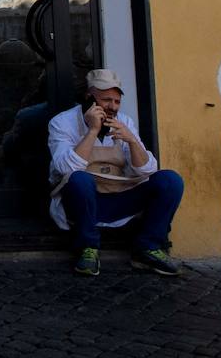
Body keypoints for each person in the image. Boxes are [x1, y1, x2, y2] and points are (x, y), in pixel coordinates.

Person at [47, 69, 185, 276]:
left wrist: (131, 140)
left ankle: (148, 247)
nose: (112, 107)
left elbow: (147, 170)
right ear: (89, 98)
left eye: (117, 101)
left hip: (119, 197)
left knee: (170, 180)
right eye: (106, 100)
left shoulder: (125, 122)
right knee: (79, 178)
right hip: (83, 201)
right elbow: (65, 168)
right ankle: (88, 248)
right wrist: (93, 131)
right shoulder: (61, 123)